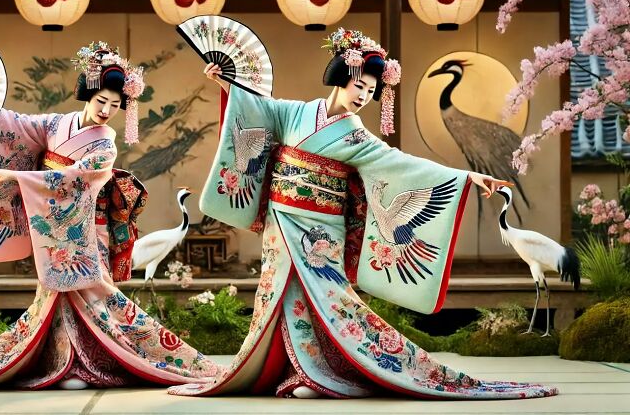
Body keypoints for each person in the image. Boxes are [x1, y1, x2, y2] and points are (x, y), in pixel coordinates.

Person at [168, 29, 557, 399]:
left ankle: (322, 373)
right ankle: (290, 370)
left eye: (372, 92)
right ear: (342, 79)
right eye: (360, 86)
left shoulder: (357, 137)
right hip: (280, 221)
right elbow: (256, 107)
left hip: (321, 231)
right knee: (278, 296)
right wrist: (227, 82)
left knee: (326, 299)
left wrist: (466, 175)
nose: (364, 96)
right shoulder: (294, 113)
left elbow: (403, 163)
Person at [0, 42, 221, 392]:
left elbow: (76, 178)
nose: (106, 110)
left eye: (113, 105)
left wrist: (19, 177)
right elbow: (12, 125)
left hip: (84, 226)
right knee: (54, 298)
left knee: (89, 293)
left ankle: (92, 363)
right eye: (101, 101)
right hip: (55, 225)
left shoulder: (105, 144)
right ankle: (64, 361)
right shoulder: (55, 124)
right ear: (88, 97)